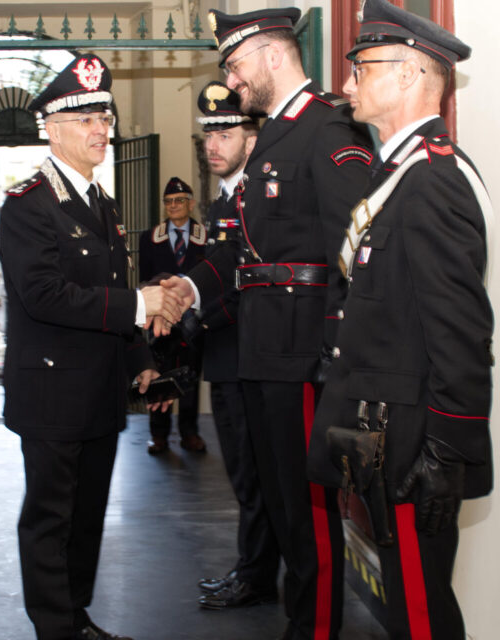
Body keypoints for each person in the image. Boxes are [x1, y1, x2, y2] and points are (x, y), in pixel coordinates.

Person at [161, 9, 375, 638]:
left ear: (272, 55)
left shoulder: (328, 128)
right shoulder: (277, 136)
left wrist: (336, 357)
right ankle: (300, 621)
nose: (232, 77)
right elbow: (246, 251)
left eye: (235, 62)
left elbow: (357, 251)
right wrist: (188, 284)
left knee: (308, 517)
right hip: (263, 350)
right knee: (284, 509)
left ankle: (313, 630)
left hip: (303, 353)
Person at [307, 2, 493, 637]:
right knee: (405, 606)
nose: (349, 82)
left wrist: (448, 450)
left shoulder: (432, 181)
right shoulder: (397, 175)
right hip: (383, 435)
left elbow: (462, 332)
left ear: (412, 74)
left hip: (413, 442)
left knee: (419, 613)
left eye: (363, 67)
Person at [0, 53, 182, 640]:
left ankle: (76, 617)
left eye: (105, 117)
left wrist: (142, 363)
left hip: (100, 390)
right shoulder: (28, 204)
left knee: (87, 518)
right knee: (50, 520)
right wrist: (139, 306)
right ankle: (55, 628)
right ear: (51, 128)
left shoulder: (101, 204)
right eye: (85, 120)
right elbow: (42, 295)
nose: (102, 130)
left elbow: (111, 294)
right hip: (52, 392)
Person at [183, 81, 283, 611]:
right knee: (243, 475)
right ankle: (252, 568)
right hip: (226, 357)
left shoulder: (257, 198)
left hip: (251, 357)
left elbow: (252, 283)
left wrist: (195, 313)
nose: (214, 144)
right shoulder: (224, 198)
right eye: (208, 135)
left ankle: (257, 574)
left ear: (253, 134)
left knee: (254, 476)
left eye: (226, 131)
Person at [137, 177, 206, 454]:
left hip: (193, 319)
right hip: (161, 319)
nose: (174, 205)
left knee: (190, 376)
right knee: (159, 374)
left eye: (179, 200)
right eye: (168, 201)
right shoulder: (149, 237)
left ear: (190, 203)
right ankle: (159, 434)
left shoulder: (207, 236)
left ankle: (190, 433)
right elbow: (144, 280)